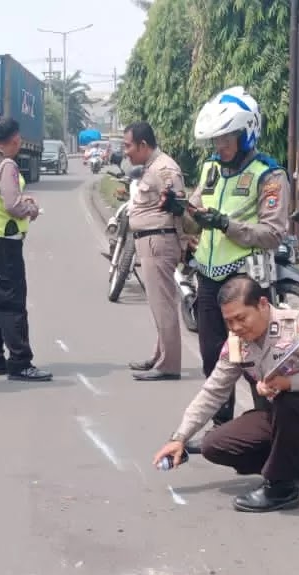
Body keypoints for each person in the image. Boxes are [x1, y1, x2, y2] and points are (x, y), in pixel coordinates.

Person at [152, 276, 299, 513]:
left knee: (290, 400)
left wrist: (289, 383)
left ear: (262, 304)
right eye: (229, 321)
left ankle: (281, 489)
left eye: (241, 318)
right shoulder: (237, 344)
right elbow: (213, 391)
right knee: (214, 446)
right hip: (276, 415)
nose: (236, 327)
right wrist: (179, 438)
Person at [182, 86, 292, 428]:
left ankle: (269, 430)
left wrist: (226, 225)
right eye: (216, 139)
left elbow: (272, 233)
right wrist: (180, 209)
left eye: (227, 138)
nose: (220, 146)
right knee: (212, 357)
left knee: (256, 361)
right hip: (208, 278)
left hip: (246, 281)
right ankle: (223, 428)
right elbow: (193, 216)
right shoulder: (210, 169)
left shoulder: (269, 175)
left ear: (247, 134)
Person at [0, 116, 52, 382]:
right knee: (11, 302)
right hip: (3, 242)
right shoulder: (6, 165)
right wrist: (31, 209)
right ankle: (20, 362)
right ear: (15, 139)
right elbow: (12, 206)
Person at [121, 121, 188, 381]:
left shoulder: (165, 169)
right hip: (149, 241)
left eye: (128, 146)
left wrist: (183, 244)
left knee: (163, 305)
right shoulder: (150, 168)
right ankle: (160, 355)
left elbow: (179, 208)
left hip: (159, 242)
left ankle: (169, 364)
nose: (126, 152)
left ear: (143, 145)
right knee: (157, 303)